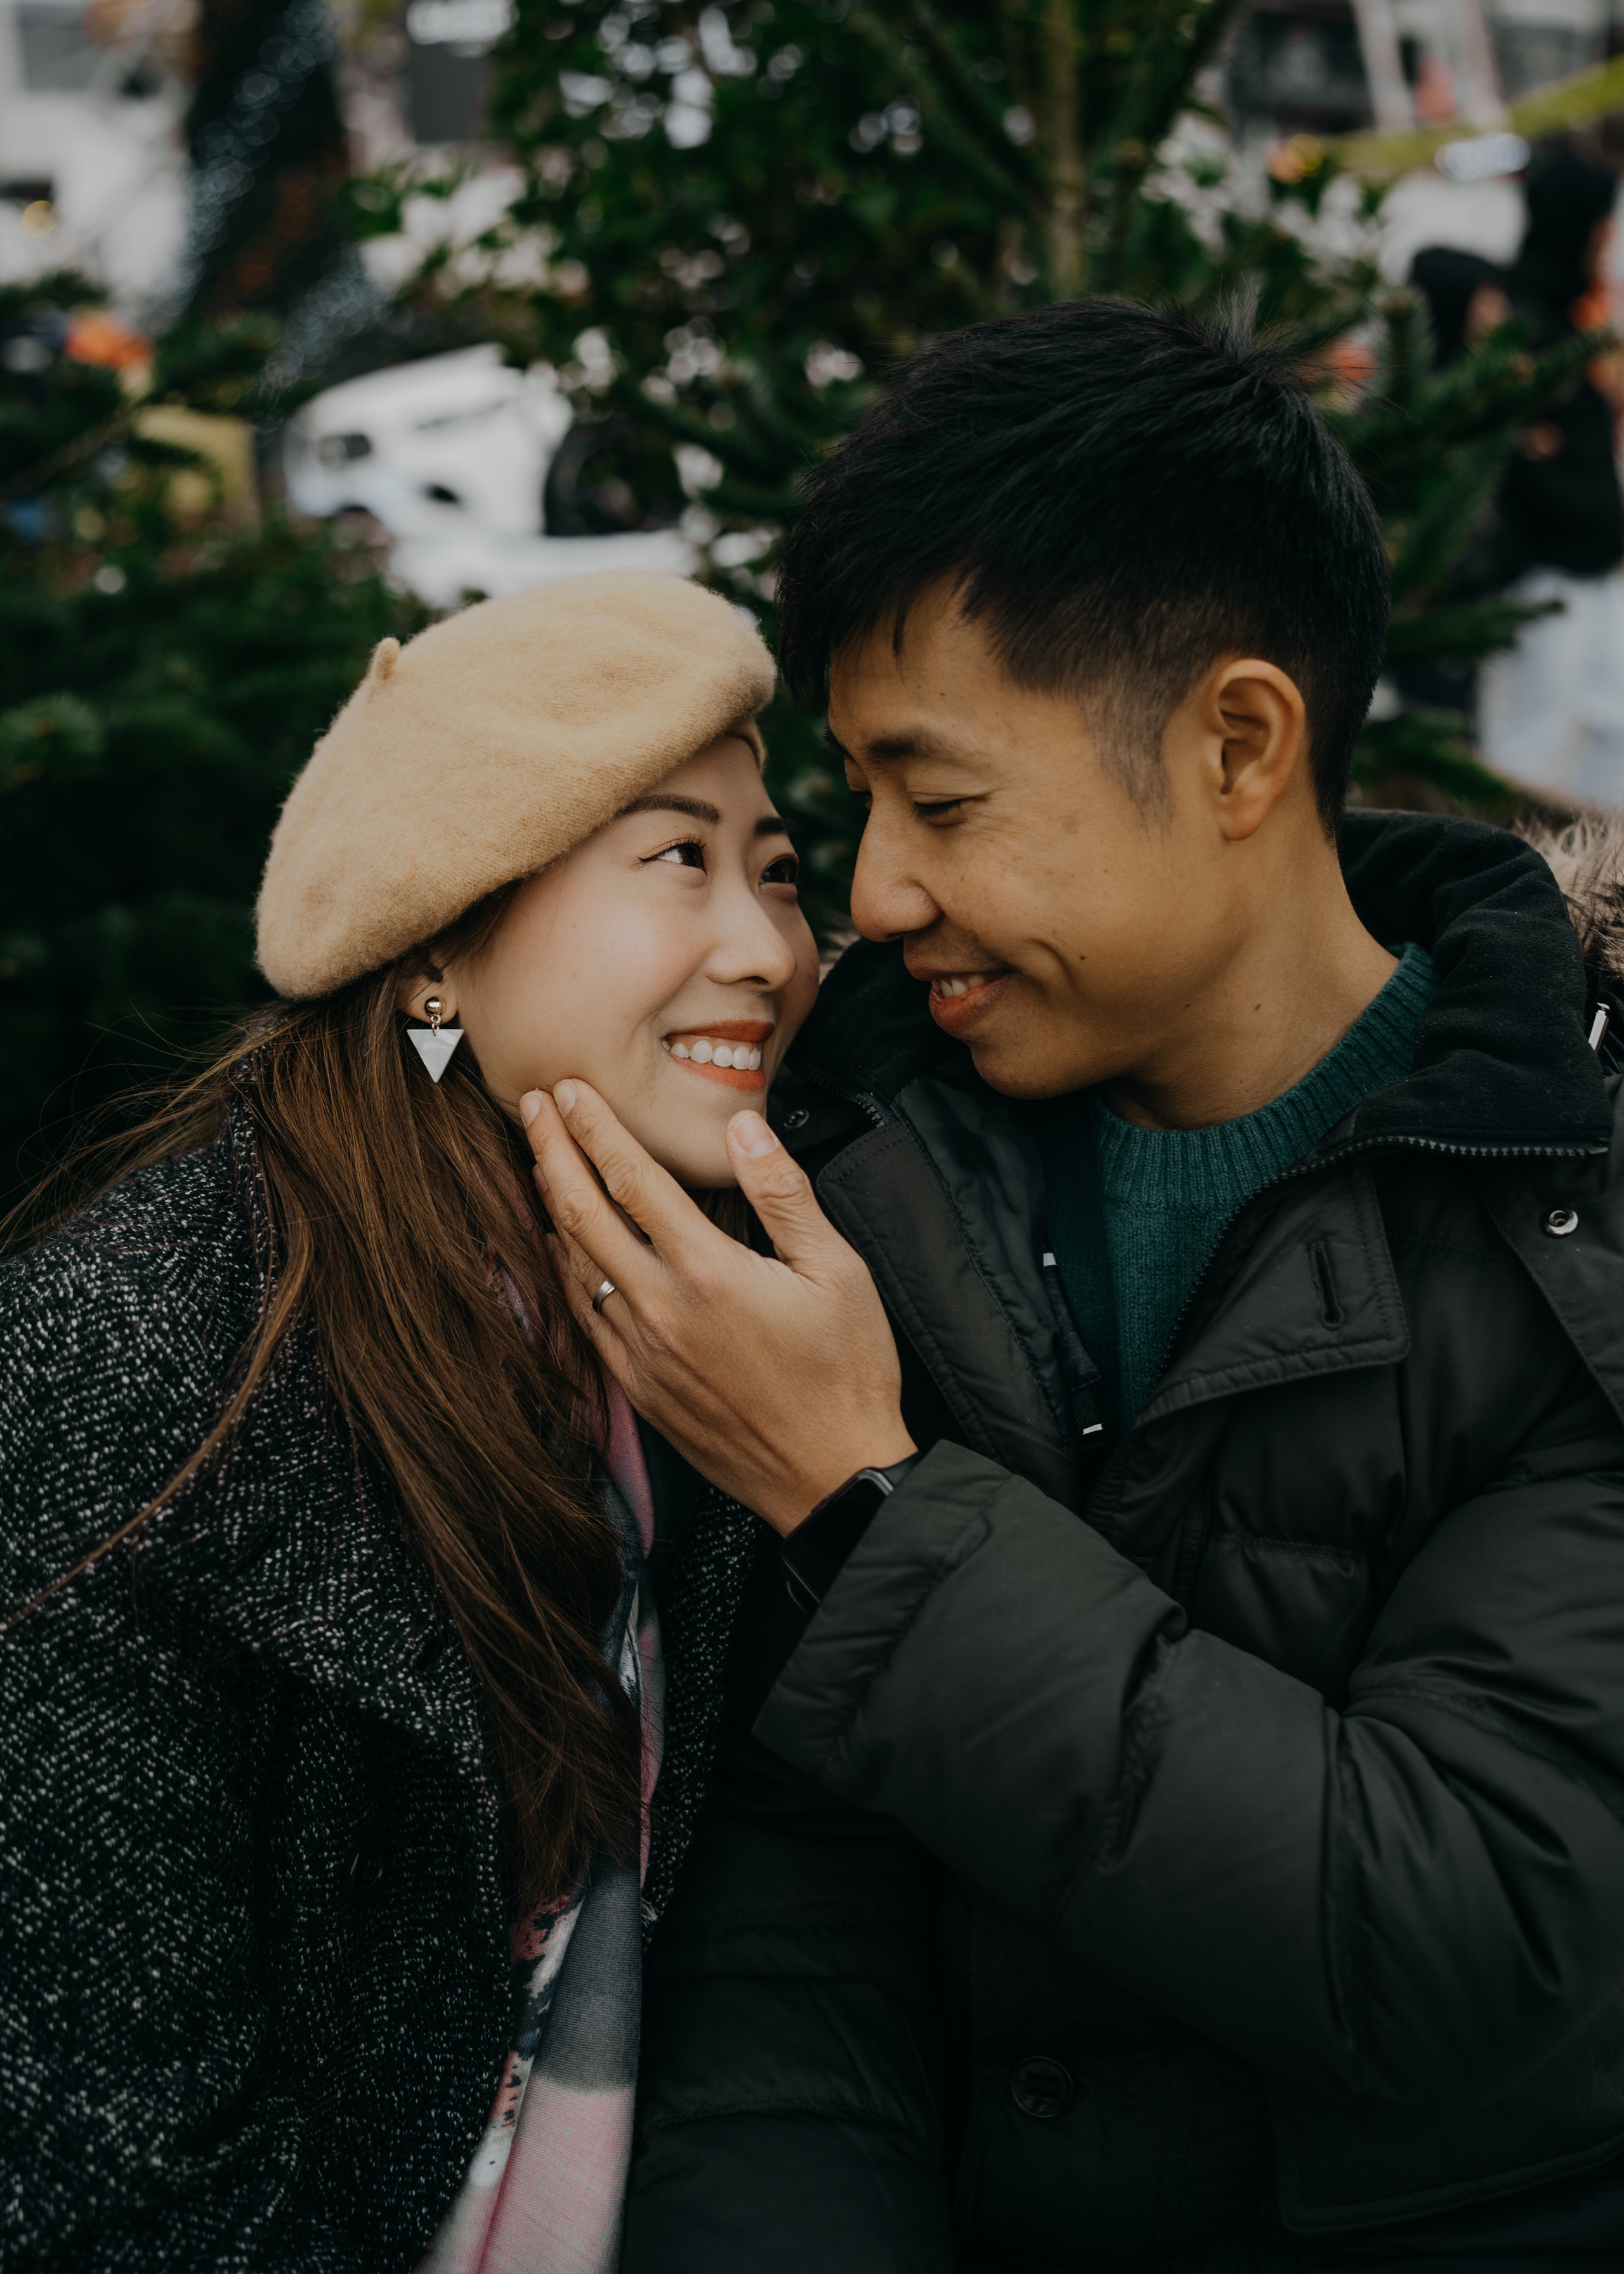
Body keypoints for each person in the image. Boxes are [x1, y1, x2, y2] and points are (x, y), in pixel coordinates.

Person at [523, 303, 1624, 2271]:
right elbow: (794, 1942)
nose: (867, 898)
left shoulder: (1568, 1213)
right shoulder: (858, 1151)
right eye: (854, 805)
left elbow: (1460, 1931)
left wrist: (862, 1507)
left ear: (1234, 743)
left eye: (940, 803)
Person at [0, 570, 818, 2272]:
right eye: (682, 858)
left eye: (780, 870)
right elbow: (115, 2180)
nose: (772, 947)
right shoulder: (145, 1370)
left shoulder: (707, 1319)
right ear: (438, 942)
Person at [1464, 147, 1624, 803]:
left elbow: (1564, 453)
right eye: (1601, 226)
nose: (1607, 242)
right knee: (1527, 751)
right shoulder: (1523, 325)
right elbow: (1524, 463)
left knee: (1605, 729)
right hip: (1539, 584)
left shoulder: (1564, 322)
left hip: (1588, 577)